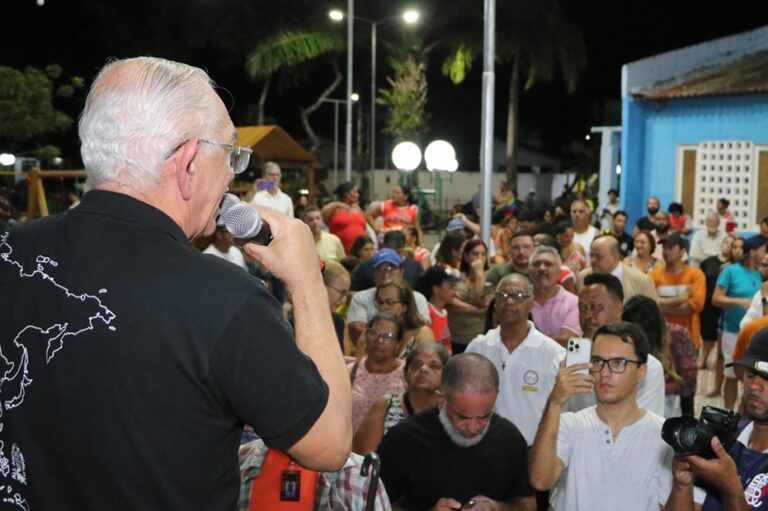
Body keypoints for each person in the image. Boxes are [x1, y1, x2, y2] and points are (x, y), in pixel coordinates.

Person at [0, 57, 351, 509]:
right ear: (187, 163)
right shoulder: (227, 300)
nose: (231, 175)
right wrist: (306, 281)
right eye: (230, 155)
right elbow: (330, 442)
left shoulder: (10, 249)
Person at [529, 322, 674, 511]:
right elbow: (540, 480)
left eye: (618, 363)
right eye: (597, 362)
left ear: (641, 372)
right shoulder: (569, 425)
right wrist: (554, 403)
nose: (605, 373)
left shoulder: (662, 435)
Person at [378, 353, 536, 511]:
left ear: (496, 397)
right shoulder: (403, 439)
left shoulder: (509, 439)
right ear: (442, 397)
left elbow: (528, 504)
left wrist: (498, 508)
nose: (473, 428)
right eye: (462, 417)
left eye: (484, 416)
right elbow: (375, 505)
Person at [667, 328, 768, 511]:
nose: (754, 386)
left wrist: (730, 488)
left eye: (766, 378)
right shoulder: (723, 439)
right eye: (750, 374)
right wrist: (683, 485)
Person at [465, 274, 565, 446]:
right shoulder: (478, 348)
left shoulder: (553, 353)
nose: (509, 302)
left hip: (533, 450)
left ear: (531, 304)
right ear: (495, 304)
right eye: (503, 296)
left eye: (518, 297)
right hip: (484, 448)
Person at [570, 273, 666, 416]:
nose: (588, 315)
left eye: (596, 307)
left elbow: (642, 427)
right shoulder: (567, 362)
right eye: (582, 308)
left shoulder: (646, 366)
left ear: (619, 308)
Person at [352, 342, 448, 455]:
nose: (423, 369)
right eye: (416, 365)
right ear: (405, 374)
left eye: (433, 366)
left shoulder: (450, 410)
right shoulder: (385, 405)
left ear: (447, 375)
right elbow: (364, 458)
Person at [713, 235, 765, 409]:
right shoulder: (730, 271)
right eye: (763, 249)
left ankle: (746, 414)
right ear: (753, 252)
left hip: (755, 337)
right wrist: (740, 302)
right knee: (732, 374)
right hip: (732, 330)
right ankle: (729, 412)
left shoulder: (759, 274)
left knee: (751, 376)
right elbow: (716, 298)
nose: (765, 253)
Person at [622, 296, 695, 417]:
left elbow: (688, 383)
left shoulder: (678, 336)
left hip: (669, 410)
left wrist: (655, 387)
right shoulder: (621, 340)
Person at [347, 248, 431, 347]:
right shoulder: (360, 298)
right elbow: (357, 332)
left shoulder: (418, 298)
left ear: (401, 271)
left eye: (391, 269)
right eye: (380, 270)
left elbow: (422, 327)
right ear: (373, 273)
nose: (386, 275)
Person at [349, 312, 407, 432]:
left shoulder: (407, 375)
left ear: (398, 343)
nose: (379, 340)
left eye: (388, 336)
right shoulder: (350, 372)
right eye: (374, 333)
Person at [649, 233, 706, 351]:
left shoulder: (696, 275)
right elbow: (650, 303)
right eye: (664, 248)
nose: (666, 251)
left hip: (688, 338)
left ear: (682, 251)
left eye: (670, 248)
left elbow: (694, 306)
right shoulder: (653, 275)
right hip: (660, 338)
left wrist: (661, 307)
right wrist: (680, 299)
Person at [577, 234, 660, 304]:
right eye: (591, 255)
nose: (592, 261)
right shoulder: (582, 277)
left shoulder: (642, 281)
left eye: (599, 257)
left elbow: (653, 318)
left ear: (615, 257)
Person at [447, 239, 495, 354]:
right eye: (475, 253)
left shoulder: (490, 276)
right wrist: (475, 310)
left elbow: (483, 302)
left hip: (478, 336)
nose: (479, 257)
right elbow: (449, 301)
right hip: (455, 335)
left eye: (483, 254)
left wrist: (479, 275)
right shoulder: (455, 275)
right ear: (466, 256)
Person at [529, 245, 582, 345]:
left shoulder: (573, 302)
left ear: (559, 272)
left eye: (548, 264)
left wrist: (527, 341)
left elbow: (567, 341)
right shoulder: (519, 298)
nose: (541, 268)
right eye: (536, 264)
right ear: (529, 271)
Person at [372, 278, 435, 356]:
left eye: (390, 302)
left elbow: (428, 364)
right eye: (379, 302)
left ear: (405, 307)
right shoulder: (372, 332)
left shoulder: (422, 334)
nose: (382, 308)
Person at [698, 235, 734, 372]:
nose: (728, 246)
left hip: (725, 304)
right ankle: (703, 359)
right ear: (721, 243)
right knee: (707, 335)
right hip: (708, 303)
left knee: (722, 339)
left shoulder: (734, 266)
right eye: (726, 242)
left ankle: (721, 363)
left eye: (732, 244)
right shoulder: (708, 262)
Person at [350, 230, 425, 291]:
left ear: (405, 247)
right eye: (391, 252)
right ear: (383, 246)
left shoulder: (415, 267)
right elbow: (352, 292)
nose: (395, 256)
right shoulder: (366, 267)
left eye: (399, 253)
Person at [417, 266, 461, 353]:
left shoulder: (444, 311)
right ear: (436, 289)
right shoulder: (427, 313)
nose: (454, 290)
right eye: (450, 286)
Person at [322, 181, 367, 254]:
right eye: (355, 192)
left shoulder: (357, 208)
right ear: (347, 194)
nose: (357, 195)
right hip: (340, 250)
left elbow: (364, 228)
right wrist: (338, 204)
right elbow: (322, 214)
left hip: (359, 251)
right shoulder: (336, 208)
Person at [322, 260, 352, 353]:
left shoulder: (340, 322)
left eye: (346, 294)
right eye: (342, 293)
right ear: (322, 285)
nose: (344, 300)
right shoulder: (290, 319)